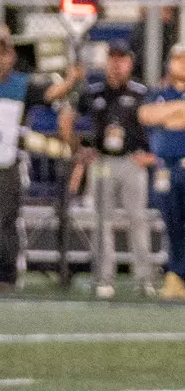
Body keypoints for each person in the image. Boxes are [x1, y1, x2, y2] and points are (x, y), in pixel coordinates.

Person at [0, 36, 79, 292]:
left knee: (5, 225)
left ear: (12, 58)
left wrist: (71, 80)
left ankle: (6, 276)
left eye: (4, 53)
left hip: (6, 166)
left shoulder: (21, 86)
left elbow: (50, 94)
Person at [62, 43, 155, 299]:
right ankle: (104, 278)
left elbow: (157, 122)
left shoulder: (141, 92)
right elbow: (68, 118)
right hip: (102, 160)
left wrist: (151, 154)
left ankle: (144, 278)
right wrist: (79, 148)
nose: (116, 64)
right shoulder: (94, 92)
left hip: (131, 161)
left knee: (138, 219)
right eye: (112, 58)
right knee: (103, 221)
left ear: (130, 62)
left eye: (121, 58)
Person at [140, 43, 185, 301]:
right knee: (172, 222)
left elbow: (165, 117)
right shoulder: (158, 93)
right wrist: (176, 112)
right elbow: (147, 115)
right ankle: (175, 275)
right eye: (177, 59)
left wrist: (169, 116)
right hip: (165, 168)